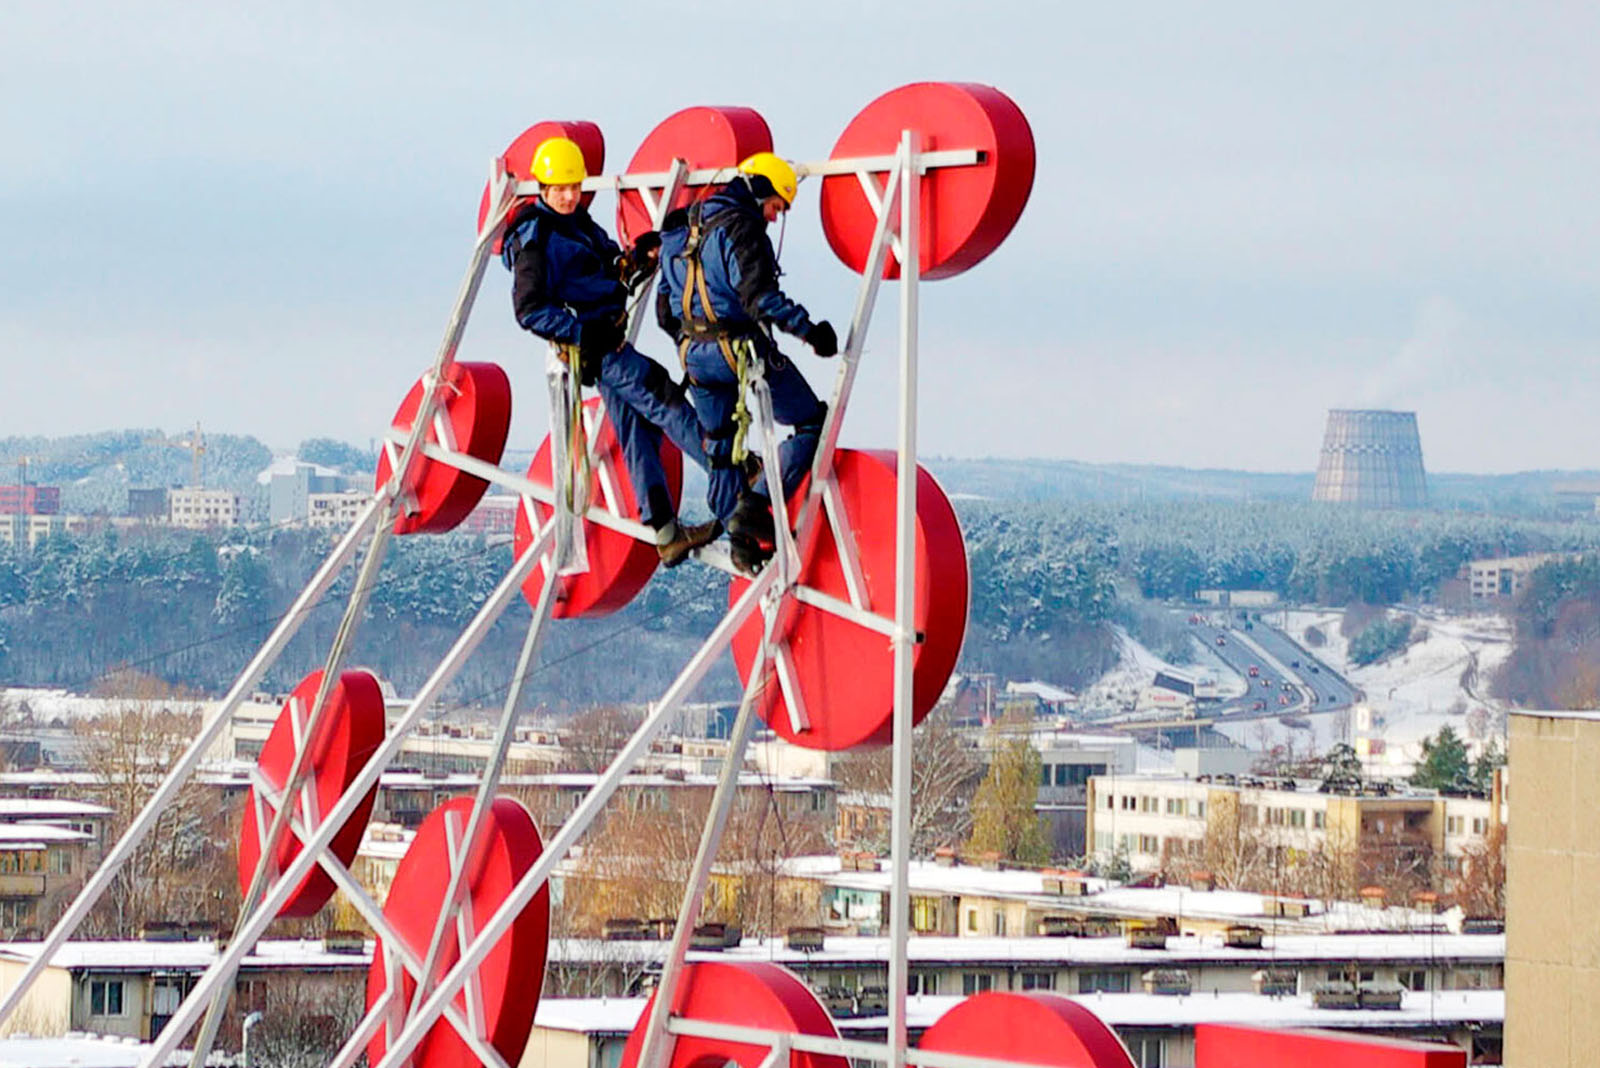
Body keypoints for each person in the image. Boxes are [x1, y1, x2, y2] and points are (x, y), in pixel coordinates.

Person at [502, 137, 718, 567]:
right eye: (559, 189)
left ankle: (666, 531)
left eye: (574, 187)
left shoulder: (577, 223)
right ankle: (731, 478)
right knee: (663, 398)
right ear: (543, 189)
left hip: (603, 339)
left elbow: (605, 267)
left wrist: (636, 257)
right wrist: (582, 333)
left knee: (637, 428)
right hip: (596, 348)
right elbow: (529, 310)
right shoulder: (537, 238)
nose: (568, 196)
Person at [655, 152, 838, 573]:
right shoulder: (743, 227)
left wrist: (691, 341)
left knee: (721, 450)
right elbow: (760, 299)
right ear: (760, 190)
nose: (774, 217)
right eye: (776, 206)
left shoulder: (679, 231)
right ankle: (754, 511)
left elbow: (665, 312)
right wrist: (812, 332)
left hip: (694, 357)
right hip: (739, 352)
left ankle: (740, 541)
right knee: (812, 422)